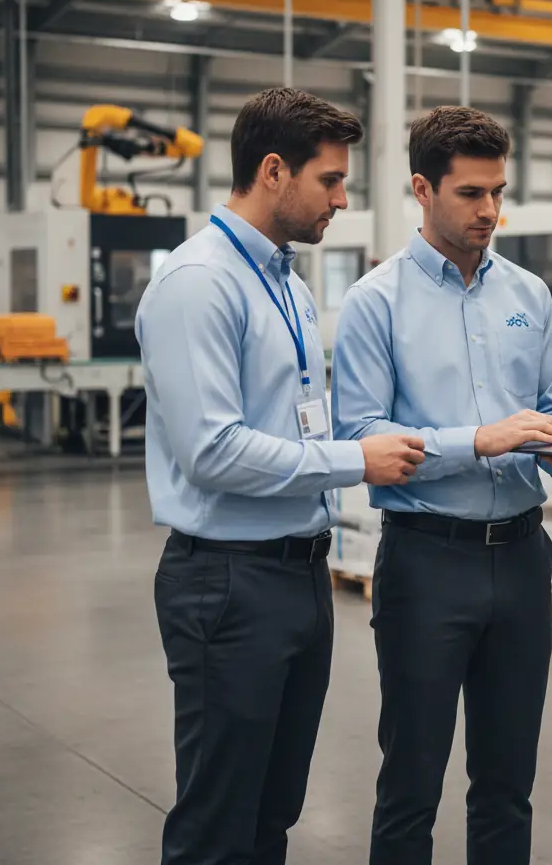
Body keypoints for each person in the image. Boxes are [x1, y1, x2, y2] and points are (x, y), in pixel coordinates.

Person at [332, 105, 552, 865]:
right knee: (411, 786)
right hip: (427, 564)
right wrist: (480, 440)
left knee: (506, 784)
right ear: (422, 189)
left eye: (499, 191)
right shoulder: (376, 302)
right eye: (470, 194)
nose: (490, 211)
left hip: (524, 558)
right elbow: (362, 439)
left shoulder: (529, 295)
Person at [136, 87, 426, 865]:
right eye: (330, 180)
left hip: (300, 575)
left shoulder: (290, 285)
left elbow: (295, 419)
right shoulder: (201, 282)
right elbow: (213, 451)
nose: (342, 198)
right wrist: (353, 461)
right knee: (218, 824)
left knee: (272, 813)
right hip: (227, 584)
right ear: (273, 171)